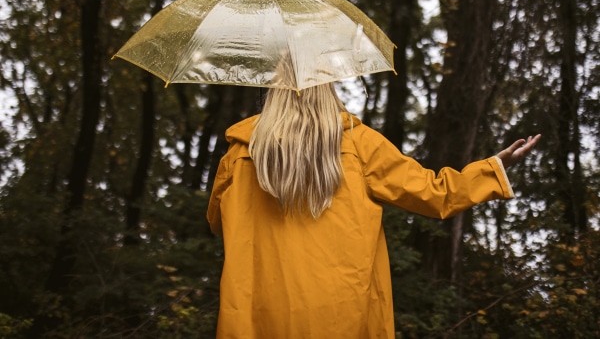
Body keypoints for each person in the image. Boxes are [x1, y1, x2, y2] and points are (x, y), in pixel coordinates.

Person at [207, 82, 540, 339]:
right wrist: (493, 167)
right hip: (343, 315)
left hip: (259, 314)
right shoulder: (359, 144)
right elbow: (436, 194)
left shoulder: (239, 154)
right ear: (328, 88)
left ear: (275, 91)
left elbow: (218, 222)